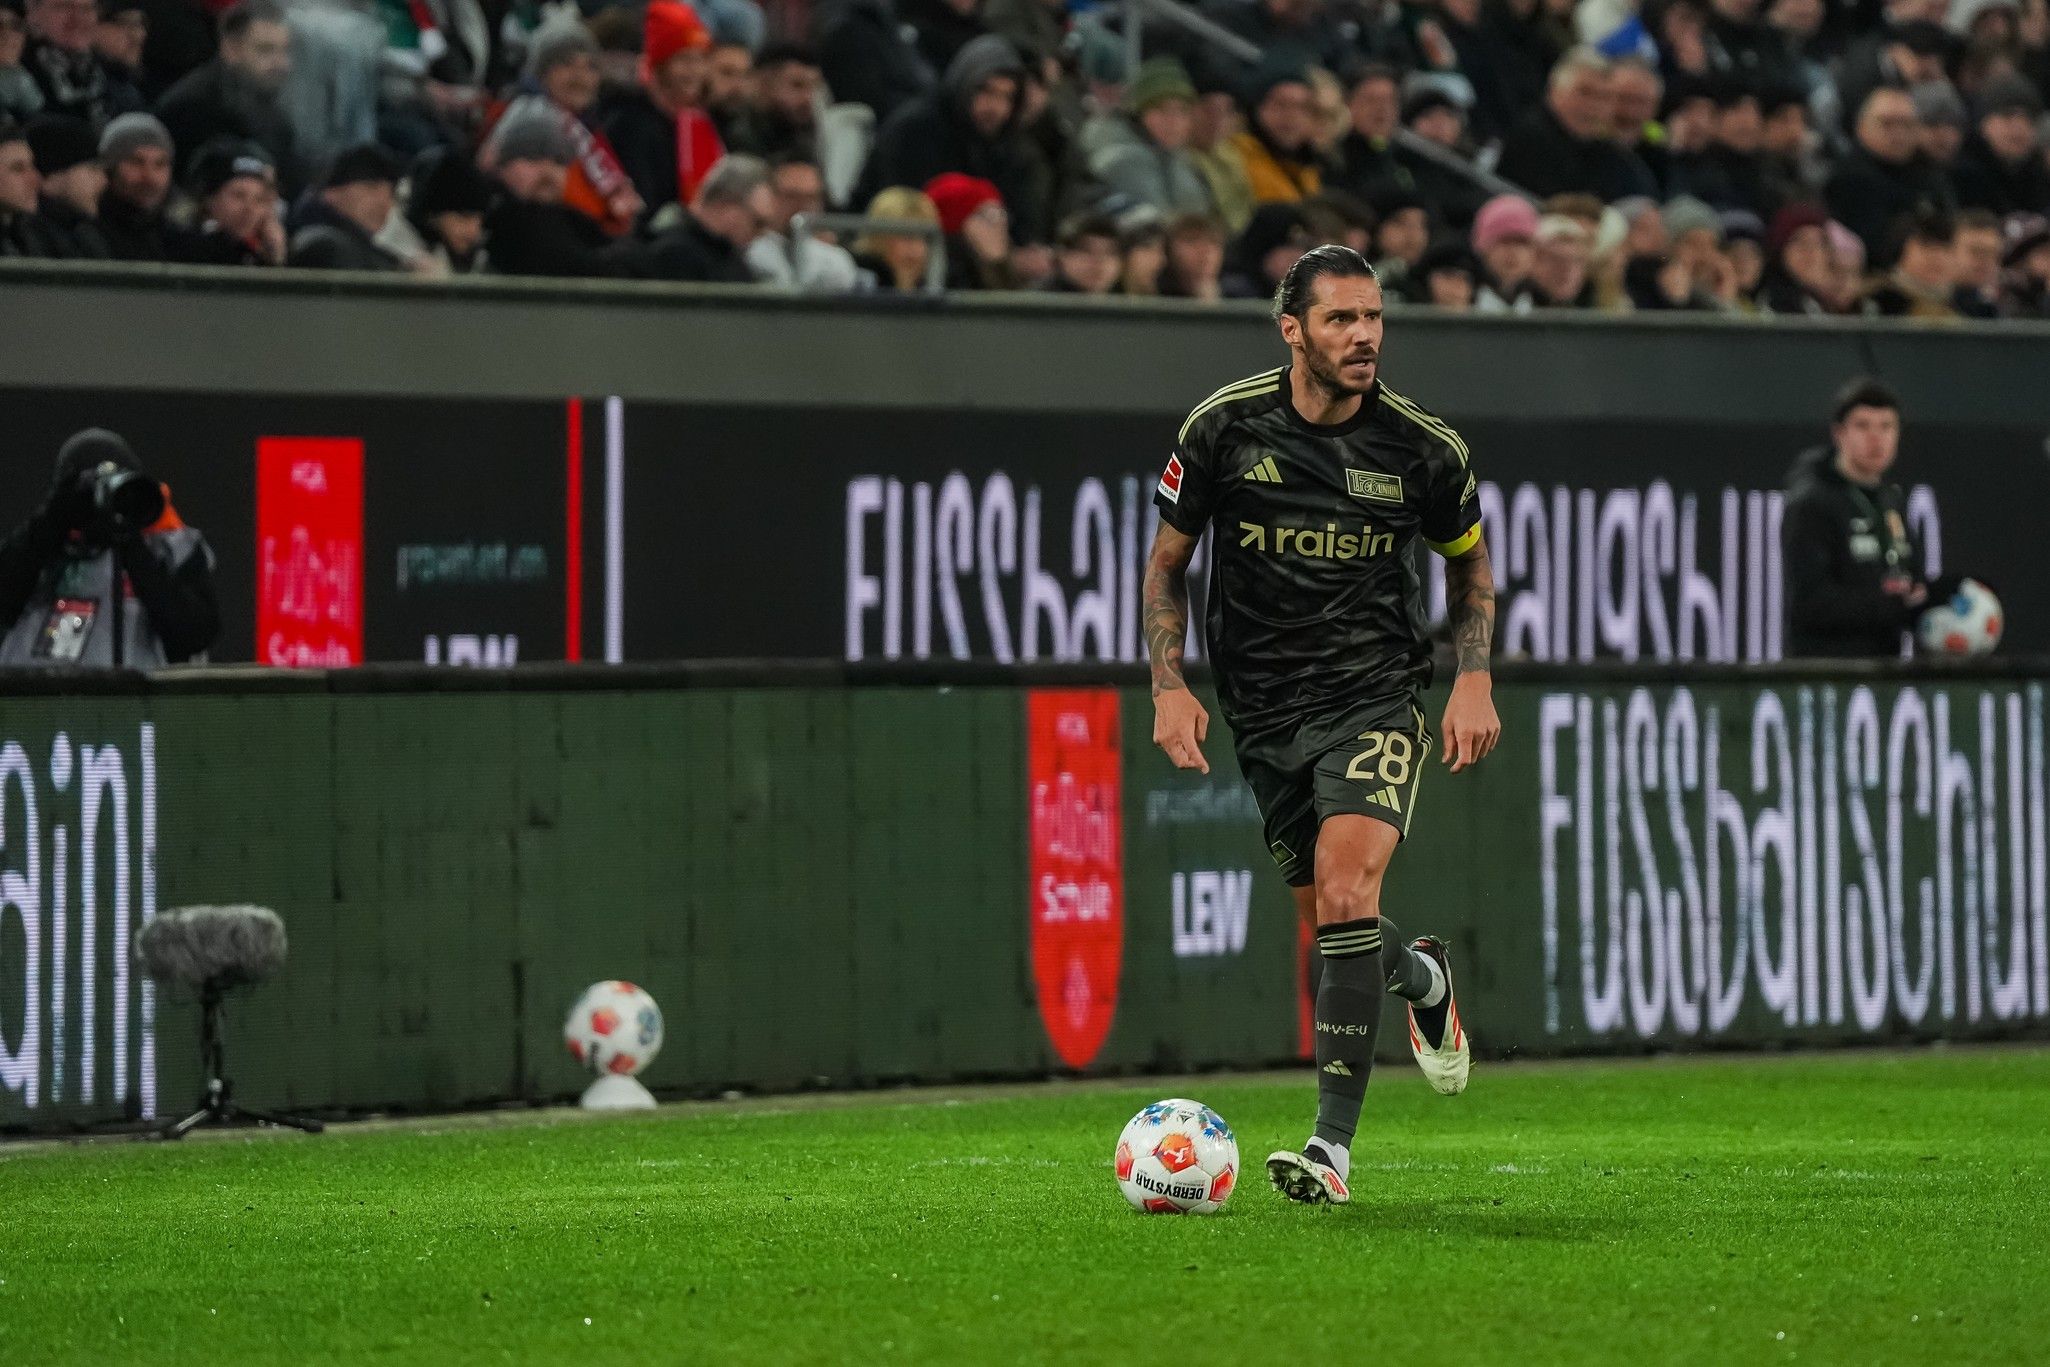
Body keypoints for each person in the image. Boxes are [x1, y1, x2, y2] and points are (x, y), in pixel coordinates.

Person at [1143, 243, 1491, 1206]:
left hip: (1375, 694)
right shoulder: (1223, 428)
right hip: (1262, 710)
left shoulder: (1424, 449)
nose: (1365, 336)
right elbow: (1168, 563)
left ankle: (1330, 1149)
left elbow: (1470, 565)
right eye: (1342, 319)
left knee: (1347, 887)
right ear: (1292, 329)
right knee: (1338, 929)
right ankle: (1421, 980)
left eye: (1375, 317)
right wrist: (1169, 685)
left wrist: (1474, 676)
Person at [0, 428, 220, 668]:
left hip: (131, 701)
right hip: (35, 699)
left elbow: (194, 635)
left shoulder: (169, 550)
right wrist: (53, 521)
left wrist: (130, 541)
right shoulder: (40, 546)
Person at [1782, 378, 1936, 657]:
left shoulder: (1891, 500)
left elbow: (1912, 579)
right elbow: (1810, 604)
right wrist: (1893, 606)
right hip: (1829, 671)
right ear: (1839, 434)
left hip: (1885, 670)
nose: (1876, 438)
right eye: (1863, 426)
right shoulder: (1812, 503)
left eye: (1886, 426)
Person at [855, 34, 1041, 248]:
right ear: (965, 82)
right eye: (986, 91)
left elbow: (1019, 218)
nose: (996, 107)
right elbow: (900, 210)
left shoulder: (1005, 145)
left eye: (1007, 97)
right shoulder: (916, 129)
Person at [600, 0, 723, 217]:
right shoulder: (628, 125)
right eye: (684, 60)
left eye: (700, 60)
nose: (695, 72)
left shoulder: (695, 123)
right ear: (659, 65)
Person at [152, 0, 291, 188]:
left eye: (284, 51)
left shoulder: (268, 105)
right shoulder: (192, 107)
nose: (281, 64)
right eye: (265, 50)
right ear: (231, 49)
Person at [1494, 48, 1657, 200]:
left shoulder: (1612, 153)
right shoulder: (1529, 139)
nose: (1595, 105)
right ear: (1555, 90)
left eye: (1605, 97)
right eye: (1585, 92)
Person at [1825, 85, 1956, 263]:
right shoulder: (1847, 180)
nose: (1898, 133)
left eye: (1907, 124)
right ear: (1861, 127)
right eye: (1887, 123)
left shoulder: (1929, 173)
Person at [1085, 57, 1211, 218]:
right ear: (1138, 114)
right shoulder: (1122, 160)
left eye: (1182, 111)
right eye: (1161, 109)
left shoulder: (1180, 162)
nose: (1173, 121)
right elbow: (1157, 230)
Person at [286, 141, 402, 269]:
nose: (386, 204)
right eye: (372, 187)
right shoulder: (325, 246)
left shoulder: (358, 243)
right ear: (333, 192)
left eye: (392, 195)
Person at [22, 0, 140, 125]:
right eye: (64, 6)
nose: (78, 18)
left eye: (87, 9)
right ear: (33, 14)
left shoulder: (118, 81)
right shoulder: (17, 82)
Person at [171, 134, 281, 264]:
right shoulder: (180, 247)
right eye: (238, 195)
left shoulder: (258, 254)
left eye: (259, 199)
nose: (249, 208)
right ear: (210, 199)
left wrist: (275, 258)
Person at [1231, 62, 1324, 205]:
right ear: (1258, 108)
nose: (1291, 116)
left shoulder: (1310, 172)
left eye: (1302, 108)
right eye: (1281, 104)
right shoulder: (1236, 156)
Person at [96, 109, 180, 258]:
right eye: (136, 162)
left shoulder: (176, 240)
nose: (149, 176)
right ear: (110, 168)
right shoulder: (90, 237)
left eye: (160, 164)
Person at [25, 112, 109, 255]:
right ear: (51, 176)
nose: (104, 180)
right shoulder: (30, 238)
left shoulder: (82, 231)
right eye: (92, 169)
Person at [723, 42, 820, 160]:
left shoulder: (808, 134)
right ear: (764, 84)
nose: (808, 97)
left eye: (814, 86)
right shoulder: (736, 138)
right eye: (797, 85)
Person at [850, 183, 940, 289]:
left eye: (924, 238)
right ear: (879, 237)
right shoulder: (851, 284)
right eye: (907, 236)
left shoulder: (933, 289)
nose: (917, 250)